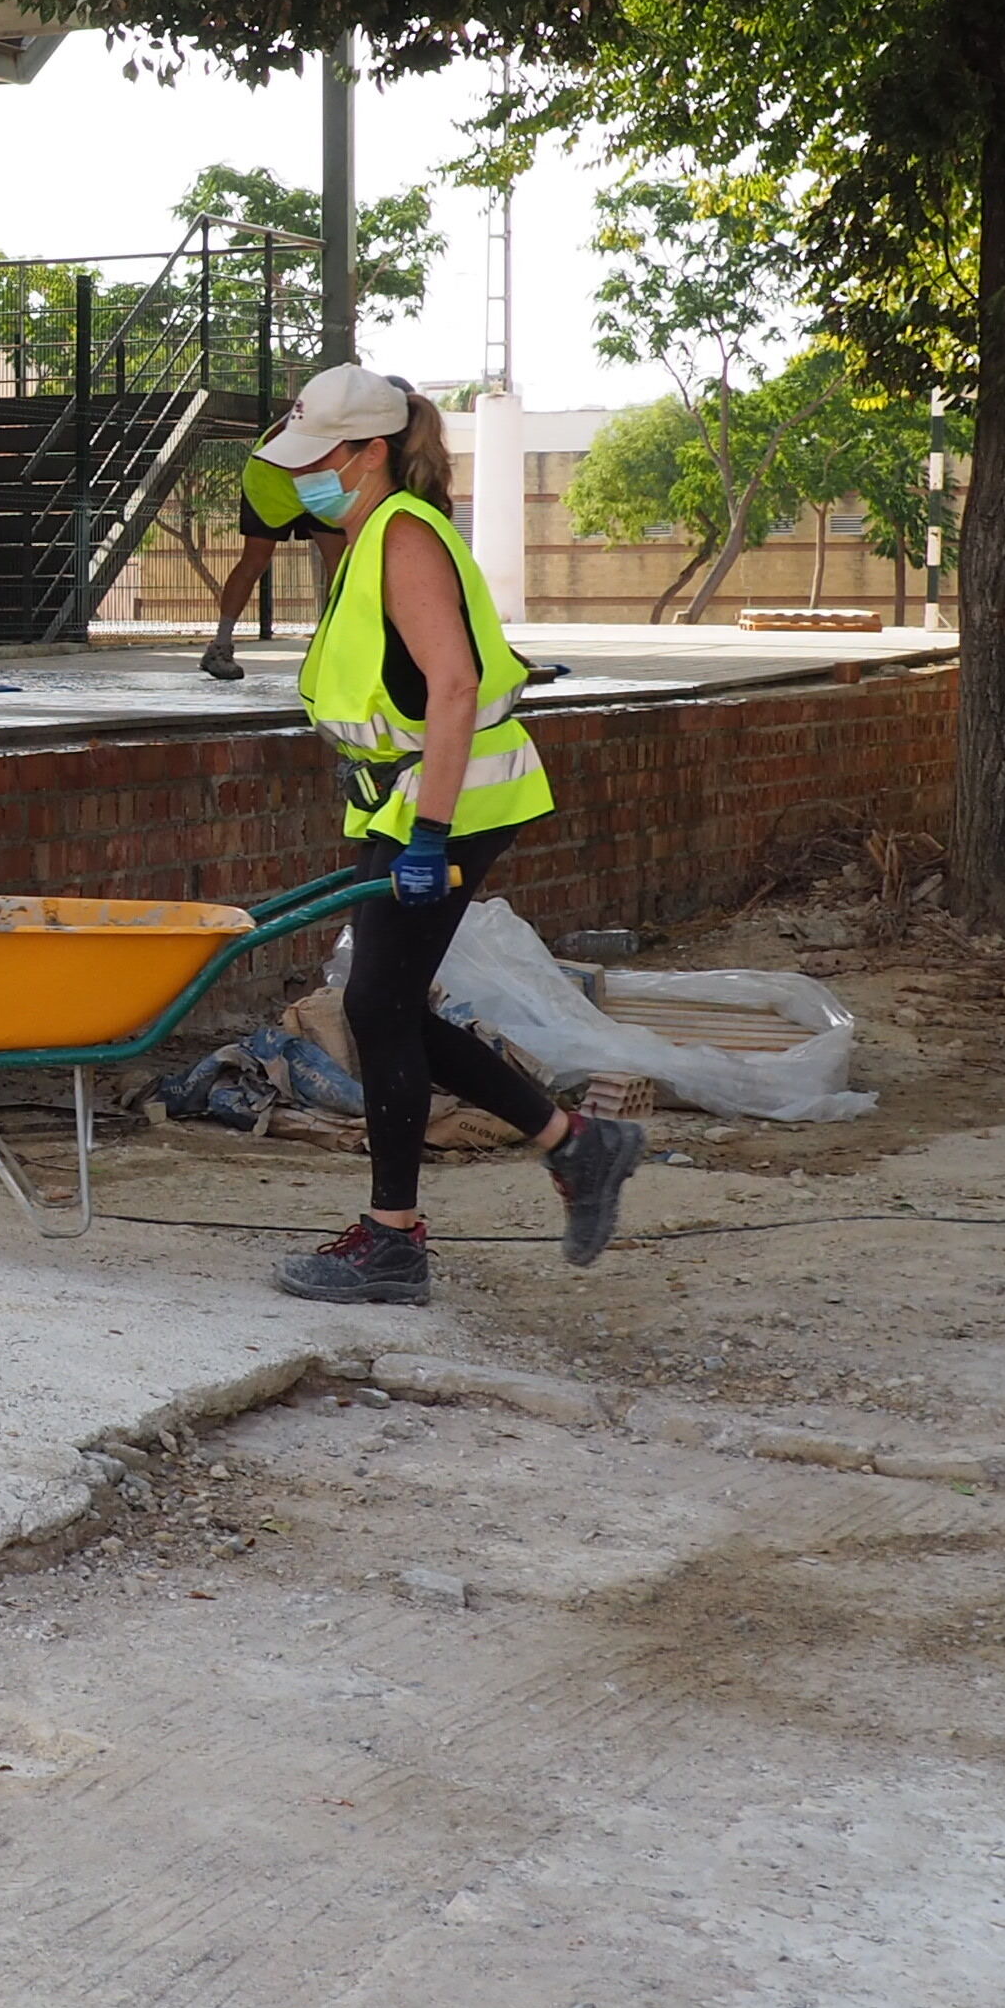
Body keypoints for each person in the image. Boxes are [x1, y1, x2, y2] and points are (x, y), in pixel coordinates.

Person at [249, 364, 645, 1305]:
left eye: (320, 459)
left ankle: (396, 1239)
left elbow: (456, 685)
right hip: (414, 799)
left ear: (370, 453)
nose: (305, 477)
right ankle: (575, 1146)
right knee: (385, 1007)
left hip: (448, 803)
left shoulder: (404, 537)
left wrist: (430, 834)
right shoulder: (370, 533)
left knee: (379, 1006)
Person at [198, 452, 329, 678]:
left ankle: (331, 647)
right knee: (255, 559)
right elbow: (279, 437)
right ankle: (220, 647)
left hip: (321, 480)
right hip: (273, 478)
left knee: (338, 563)